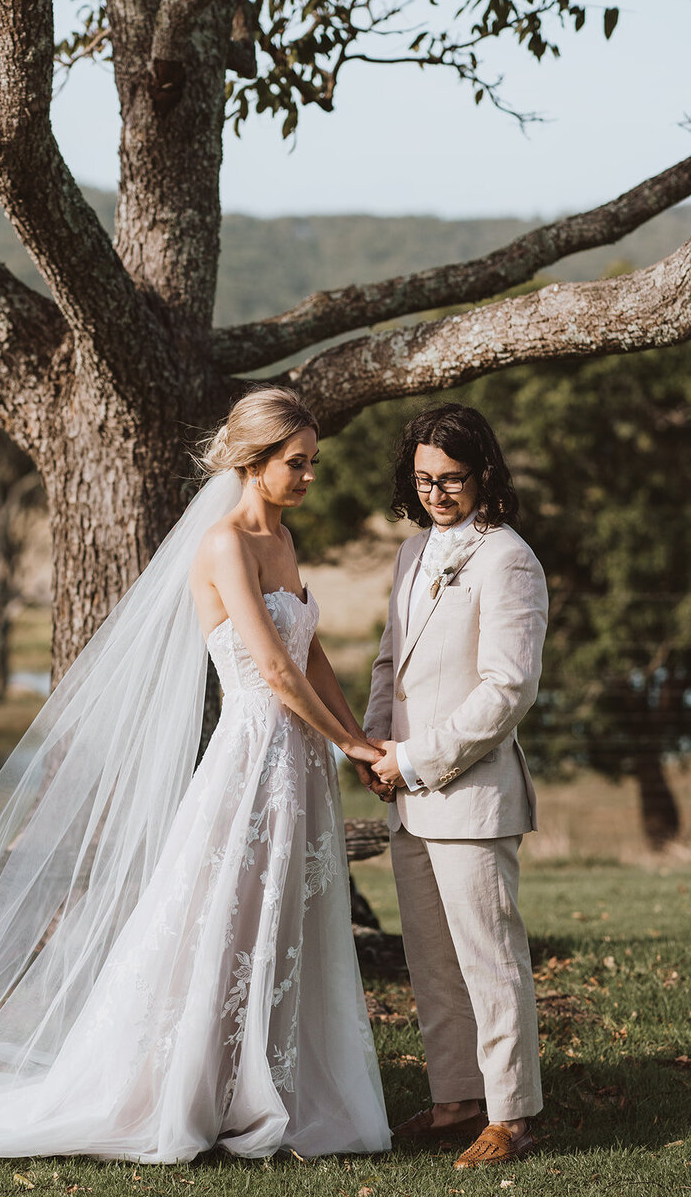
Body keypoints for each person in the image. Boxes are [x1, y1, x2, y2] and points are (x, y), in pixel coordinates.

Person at [0, 387, 391, 1162]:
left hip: (296, 763)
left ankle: (266, 1083)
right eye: (297, 464)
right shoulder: (224, 544)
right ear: (253, 463)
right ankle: (190, 1086)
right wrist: (351, 750)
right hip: (253, 756)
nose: (309, 477)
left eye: (313, 463)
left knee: (280, 918)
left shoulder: (285, 542)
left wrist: (355, 735)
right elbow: (271, 670)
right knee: (224, 917)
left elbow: (311, 652)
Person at [365, 403, 548, 1169]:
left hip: (468, 795)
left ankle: (513, 1114)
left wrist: (415, 759)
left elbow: (508, 690)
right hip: (406, 790)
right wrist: (375, 744)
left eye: (453, 479)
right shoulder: (411, 553)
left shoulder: (507, 558)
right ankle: (455, 1100)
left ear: (484, 475)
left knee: (489, 959)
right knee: (431, 961)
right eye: (424, 479)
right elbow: (389, 663)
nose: (438, 493)